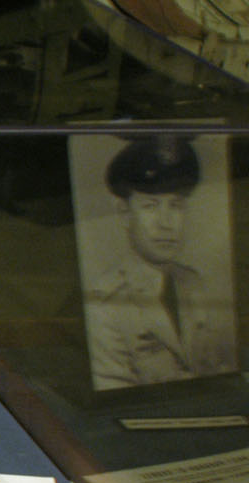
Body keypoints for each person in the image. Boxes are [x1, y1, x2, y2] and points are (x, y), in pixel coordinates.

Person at [86, 137, 238, 390]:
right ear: (124, 212)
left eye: (176, 205)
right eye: (150, 206)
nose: (166, 222)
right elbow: (113, 400)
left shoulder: (195, 284)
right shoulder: (103, 302)